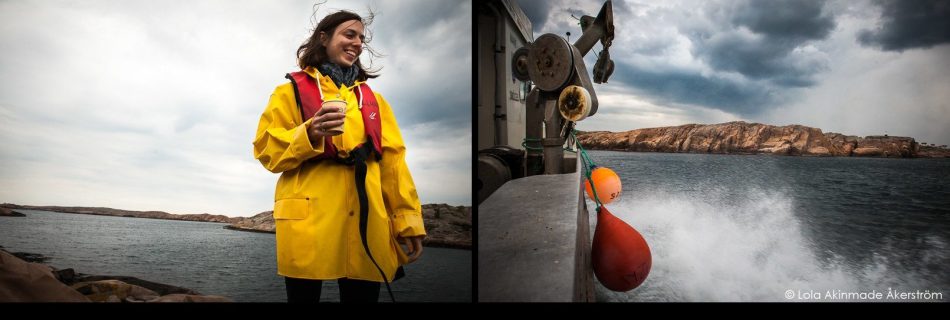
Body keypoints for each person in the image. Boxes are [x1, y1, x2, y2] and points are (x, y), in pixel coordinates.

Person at [253, 9, 426, 303]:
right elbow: (266, 151)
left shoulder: (375, 102)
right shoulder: (288, 92)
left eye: (361, 38)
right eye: (349, 34)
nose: (358, 43)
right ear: (324, 38)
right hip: (308, 222)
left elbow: (394, 165)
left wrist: (407, 220)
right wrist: (309, 133)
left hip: (367, 220)